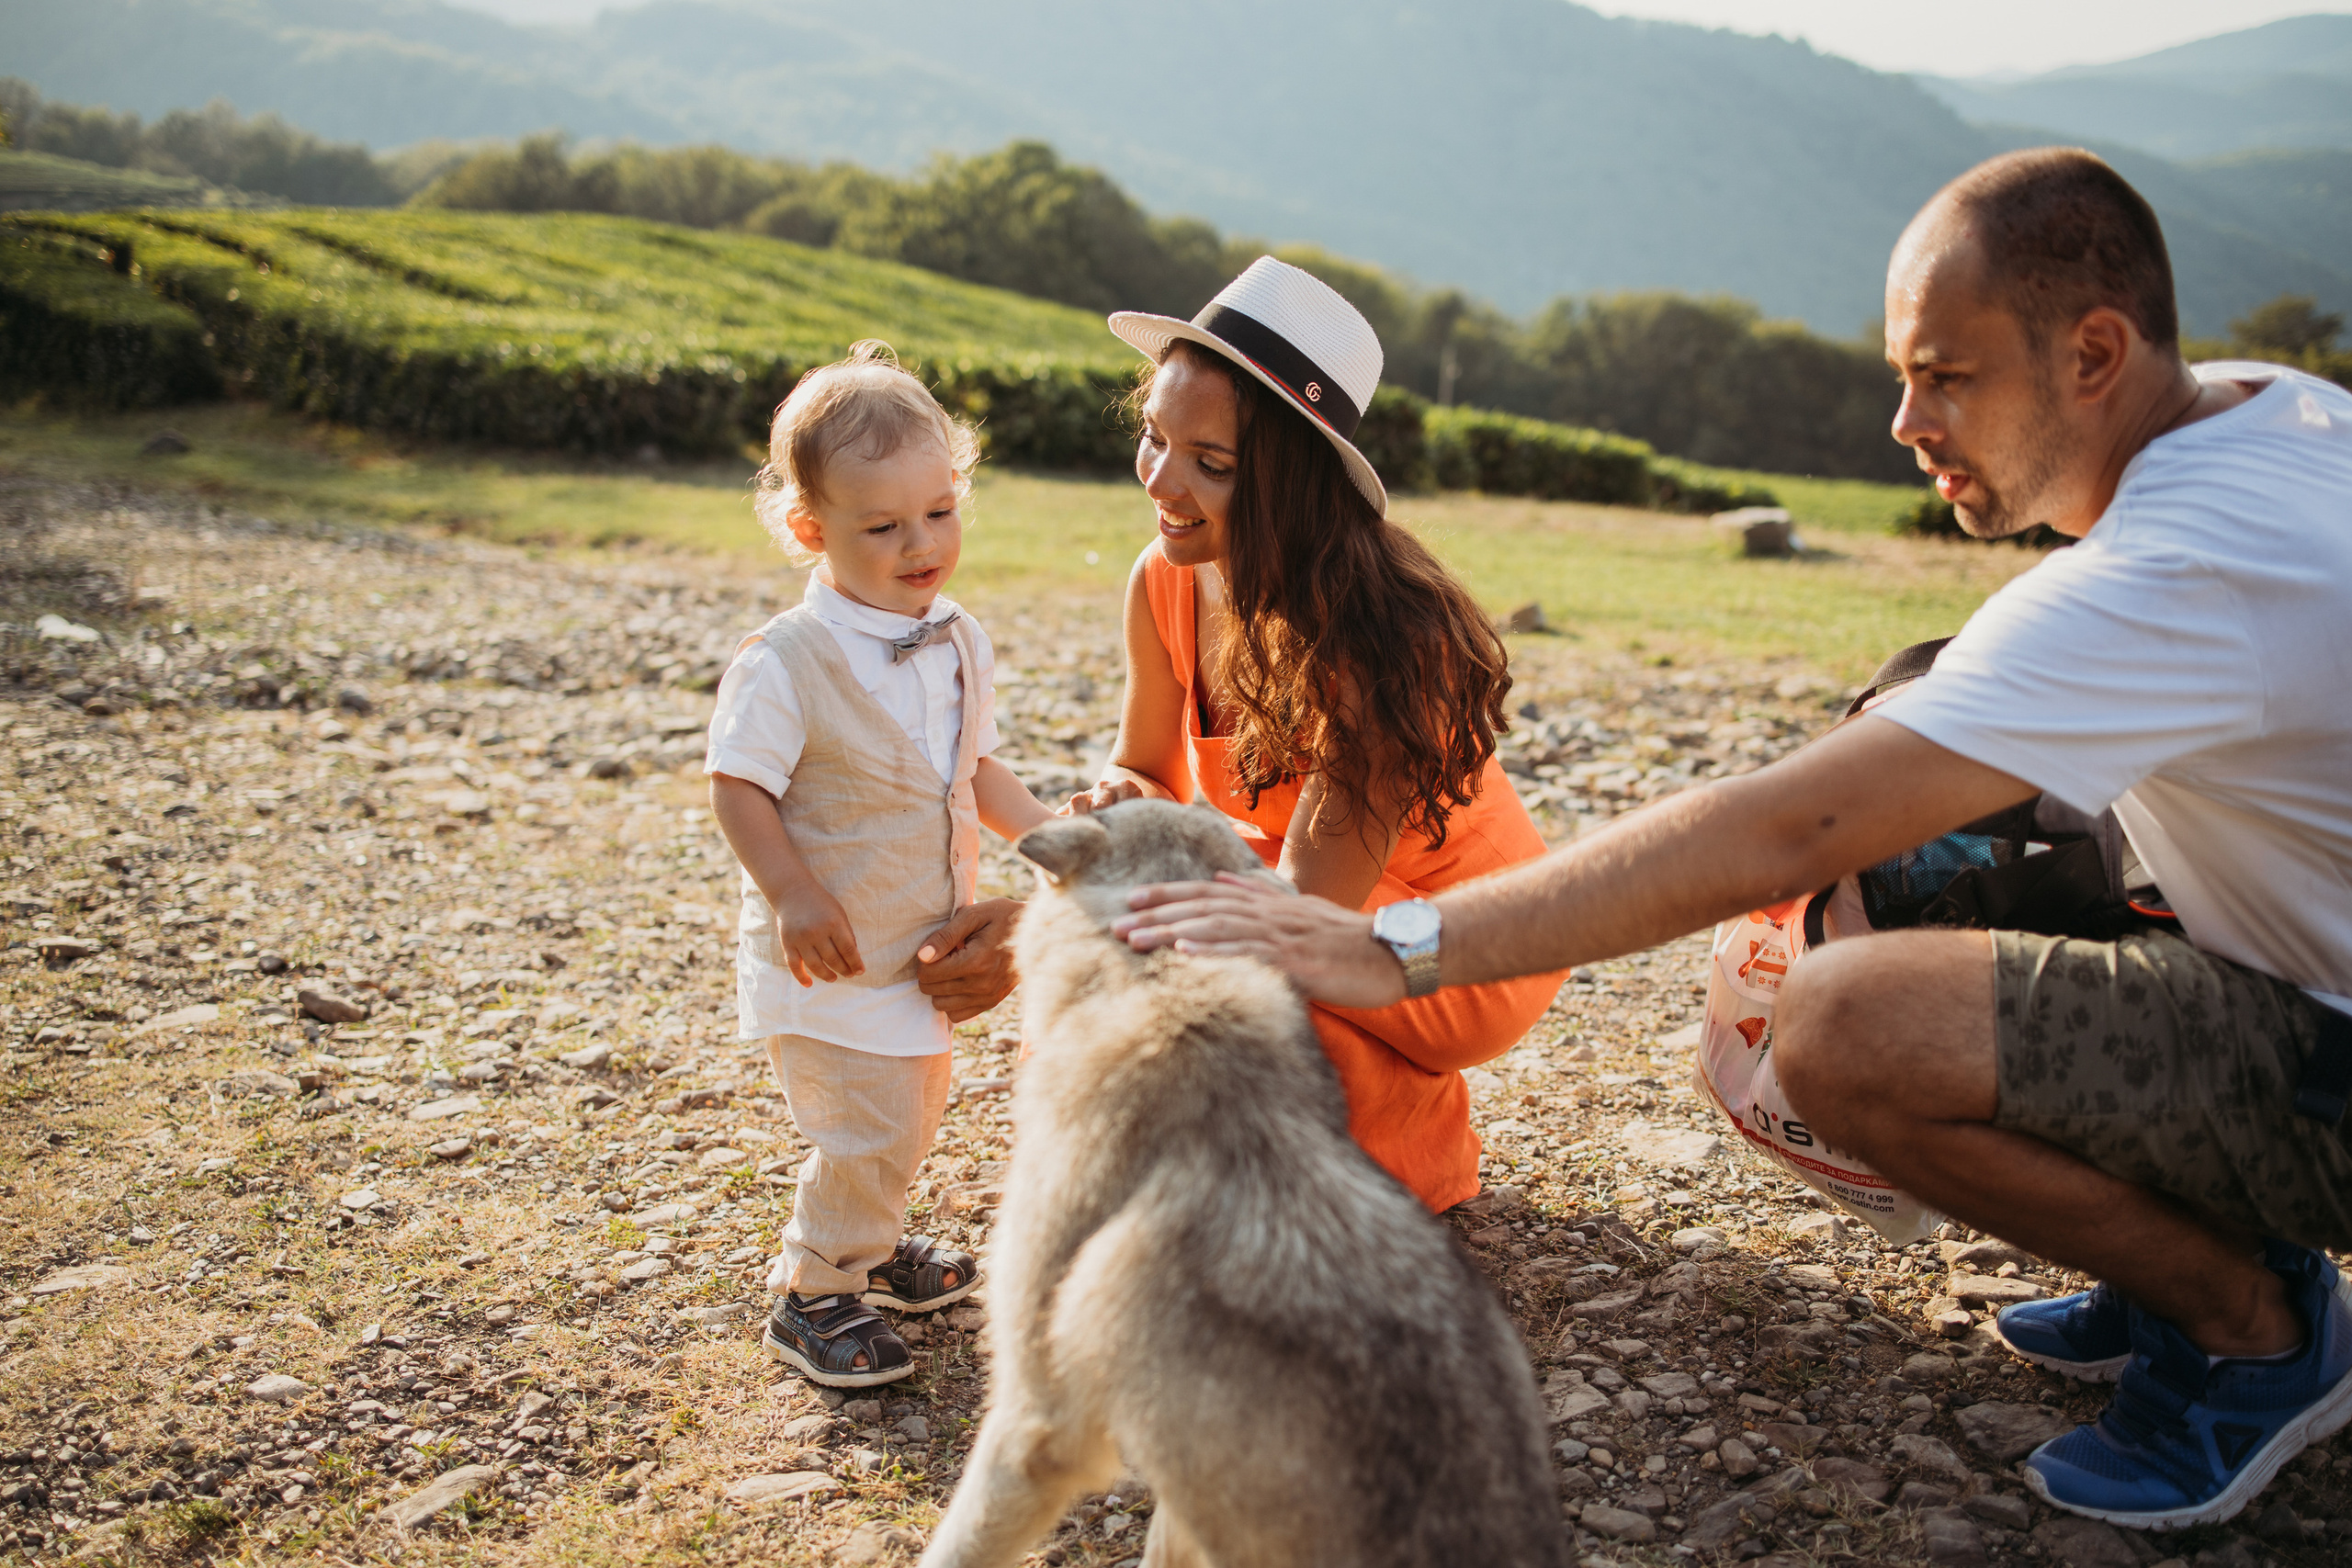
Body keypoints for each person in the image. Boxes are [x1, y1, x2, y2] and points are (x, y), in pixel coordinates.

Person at [1114, 152, 2352, 1528]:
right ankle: (2187, 1244)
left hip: (2328, 1043)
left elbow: (1783, 822)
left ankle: (2256, 1329)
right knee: (1910, 860)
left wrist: (1396, 942)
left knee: (1842, 1025)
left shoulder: (2169, 571)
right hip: (2294, 973)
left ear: (2095, 352)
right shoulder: (2272, 410)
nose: (1903, 419)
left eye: (1945, 375)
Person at [1066, 255, 1565, 1213]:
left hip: (1457, 936)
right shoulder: (1164, 577)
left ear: (1294, 484)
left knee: (1202, 977)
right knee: (1141, 938)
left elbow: (1296, 916)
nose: (1160, 483)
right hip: (1303, 891)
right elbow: (1146, 766)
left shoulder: (1384, 639)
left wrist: (1081, 922)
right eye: (1152, 437)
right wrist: (1121, 802)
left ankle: (1401, 1144)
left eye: (1211, 465)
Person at [706, 341, 1057, 1387]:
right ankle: (815, 1289)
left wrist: (1048, 841)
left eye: (939, 512)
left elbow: (972, 766)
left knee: (910, 1102)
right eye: (883, 526)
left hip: (918, 934)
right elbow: (739, 785)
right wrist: (792, 891)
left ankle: (872, 1241)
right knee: (865, 1121)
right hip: (831, 943)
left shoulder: (956, 640)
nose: (921, 545)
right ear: (809, 530)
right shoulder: (786, 661)